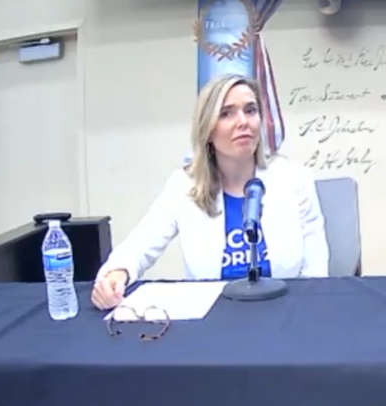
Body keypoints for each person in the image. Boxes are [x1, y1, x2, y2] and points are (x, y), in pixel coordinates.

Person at [91, 74, 329, 310]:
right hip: (213, 319)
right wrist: (117, 273)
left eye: (250, 110)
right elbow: (139, 247)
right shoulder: (184, 186)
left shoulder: (295, 179)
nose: (243, 121)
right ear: (207, 129)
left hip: (282, 310)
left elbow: (316, 271)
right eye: (227, 113)